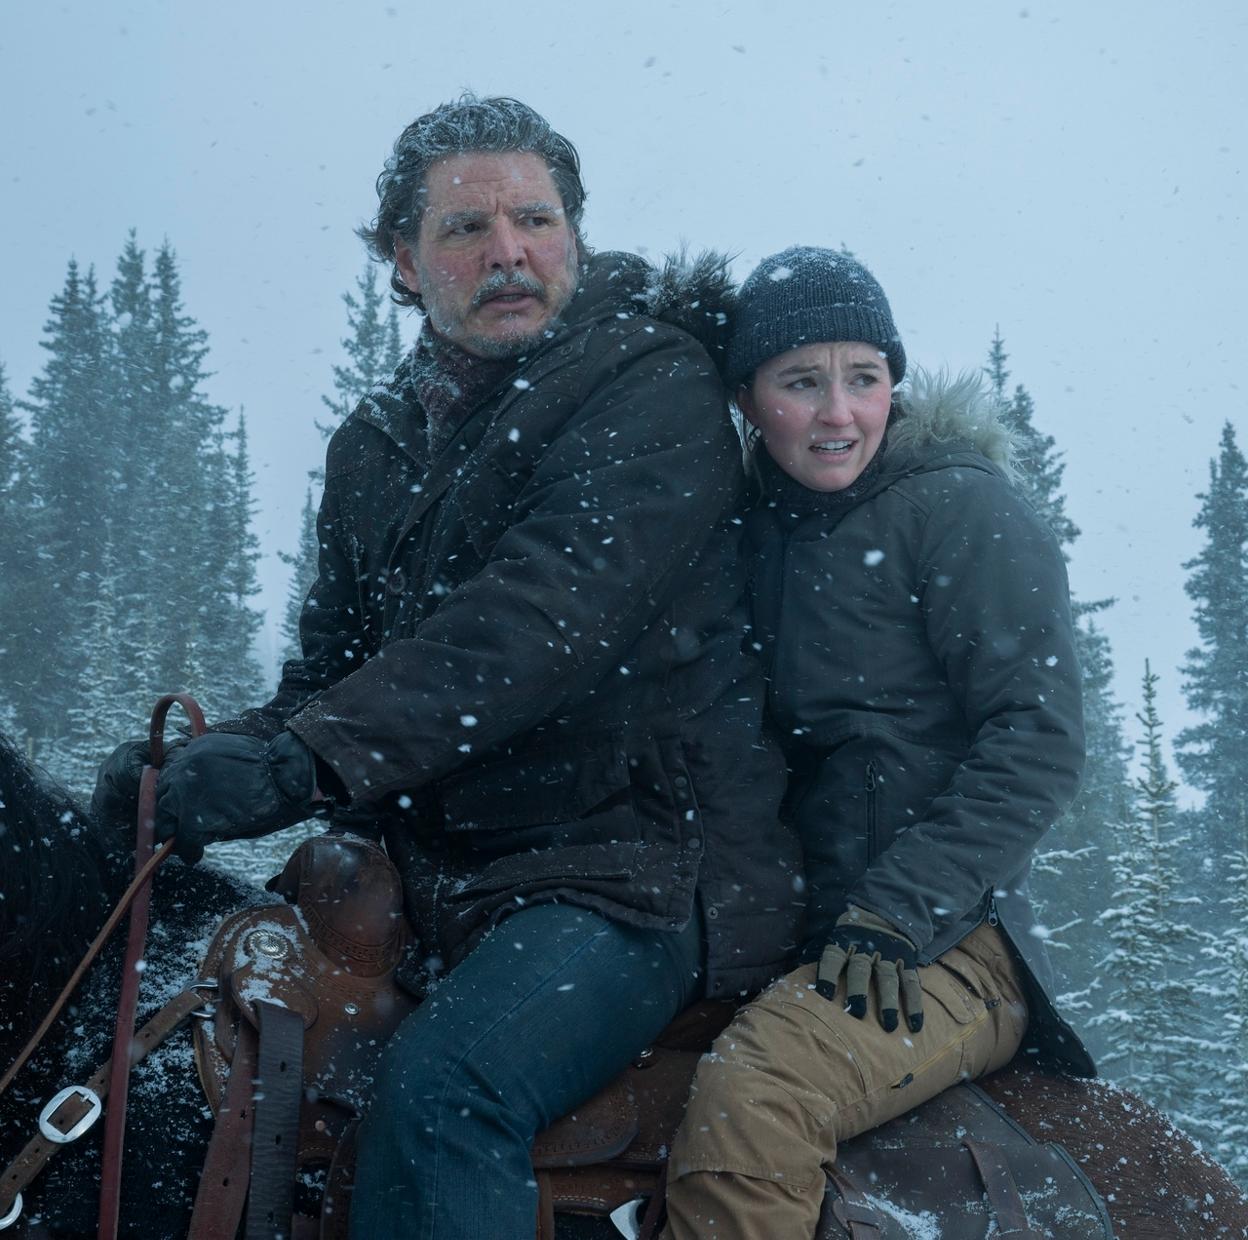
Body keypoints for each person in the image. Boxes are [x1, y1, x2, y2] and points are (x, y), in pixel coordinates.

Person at [93, 96, 802, 1238]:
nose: (508, 251)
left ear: (575, 234)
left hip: (633, 876)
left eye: (536, 220)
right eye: (467, 228)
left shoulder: (650, 385)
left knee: (441, 1096)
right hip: (437, 877)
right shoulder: (375, 443)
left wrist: (300, 764)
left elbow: (534, 625)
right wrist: (210, 761)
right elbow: (334, 672)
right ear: (404, 261)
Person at [661, 247, 1095, 1240]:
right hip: (794, 926)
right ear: (747, 399)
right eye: (801, 383)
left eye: (863, 378)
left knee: (754, 1096)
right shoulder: (744, 527)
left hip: (948, 939)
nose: (839, 413)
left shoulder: (960, 508)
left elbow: (1039, 736)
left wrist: (897, 908)